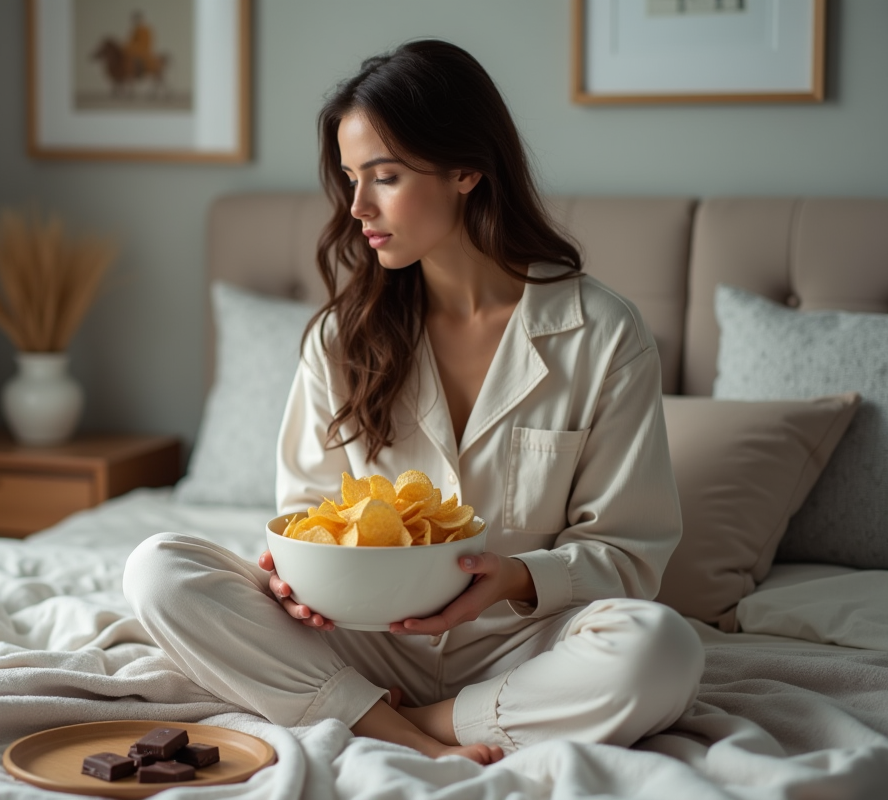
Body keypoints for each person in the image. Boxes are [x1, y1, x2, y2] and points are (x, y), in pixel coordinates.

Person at [123, 39, 704, 765]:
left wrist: (515, 577)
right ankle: (406, 732)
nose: (358, 207)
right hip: (363, 643)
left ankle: (418, 723)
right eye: (350, 179)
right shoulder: (340, 338)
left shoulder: (604, 333)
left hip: (522, 645)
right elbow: (305, 517)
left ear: (467, 169)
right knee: (157, 569)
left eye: (386, 177)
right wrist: (294, 580)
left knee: (663, 647)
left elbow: (629, 554)